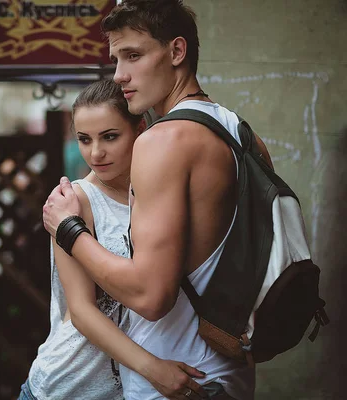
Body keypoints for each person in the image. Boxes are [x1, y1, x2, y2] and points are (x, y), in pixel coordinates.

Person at [42, 1, 275, 399]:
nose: (120, 75)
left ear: (177, 52)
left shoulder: (161, 141)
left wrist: (68, 229)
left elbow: (151, 298)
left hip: (175, 378)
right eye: (116, 59)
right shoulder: (242, 134)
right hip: (230, 370)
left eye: (133, 55)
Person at [21, 79, 209, 400]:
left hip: (132, 392)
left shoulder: (163, 193)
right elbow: (81, 311)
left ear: (140, 128)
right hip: (64, 388)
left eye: (110, 136)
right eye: (84, 139)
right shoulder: (74, 202)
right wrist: (155, 369)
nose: (96, 153)